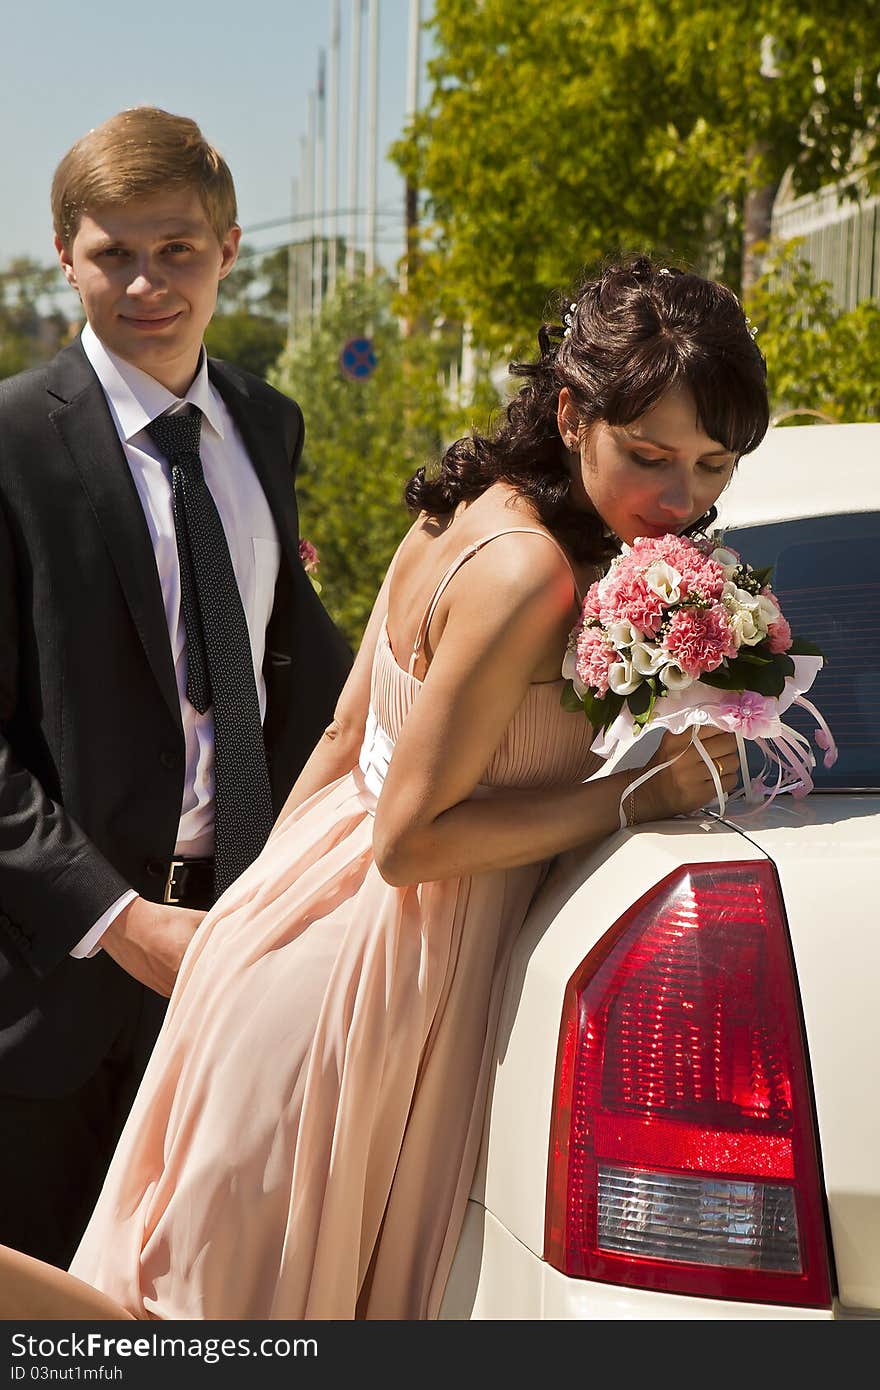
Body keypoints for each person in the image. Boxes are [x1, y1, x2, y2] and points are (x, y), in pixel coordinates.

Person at [0, 255, 766, 1320]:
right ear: (570, 412)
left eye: (714, 466)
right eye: (649, 456)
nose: (681, 499)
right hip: (380, 975)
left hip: (294, 922)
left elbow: (342, 733)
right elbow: (412, 839)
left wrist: (245, 928)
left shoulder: (469, 503)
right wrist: (640, 795)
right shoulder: (530, 573)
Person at [0, 107, 351, 1270]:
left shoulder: (266, 423)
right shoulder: (12, 443)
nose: (148, 282)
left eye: (178, 249)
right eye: (114, 253)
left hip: (239, 951)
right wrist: (119, 919)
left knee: (197, 1299)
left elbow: (287, 664)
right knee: (46, 1312)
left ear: (230, 248)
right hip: (56, 985)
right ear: (66, 257)